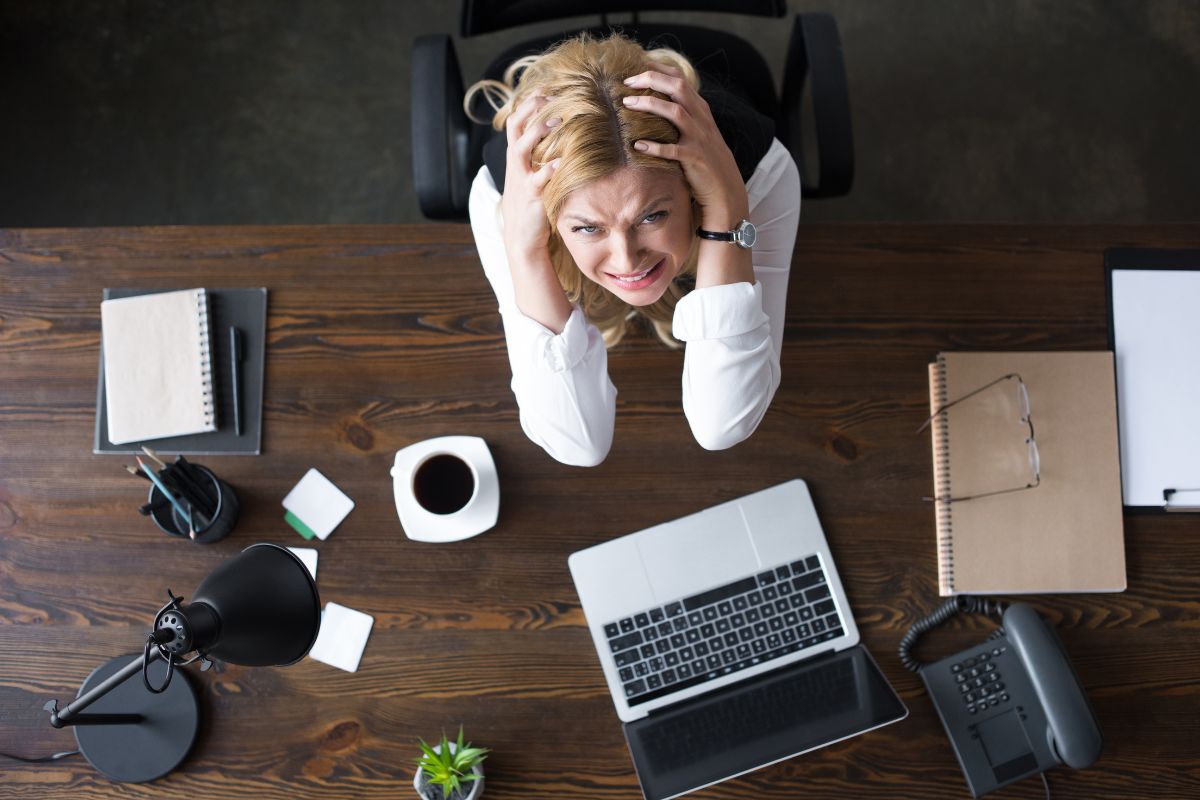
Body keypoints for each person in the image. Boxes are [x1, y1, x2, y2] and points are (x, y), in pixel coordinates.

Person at [465, 33, 801, 466]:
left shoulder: (760, 174)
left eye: (652, 216)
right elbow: (578, 444)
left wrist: (728, 211)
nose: (626, 260)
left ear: (693, 192)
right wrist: (524, 249)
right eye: (588, 227)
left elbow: (724, 424)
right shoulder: (503, 198)